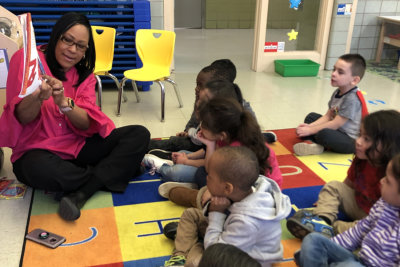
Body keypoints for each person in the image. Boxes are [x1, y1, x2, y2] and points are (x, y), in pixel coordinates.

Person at [0, 12, 150, 221]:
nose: (72, 50)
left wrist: (64, 103)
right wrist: (37, 98)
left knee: (139, 134)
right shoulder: (27, 61)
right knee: (44, 171)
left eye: (81, 46)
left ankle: (83, 191)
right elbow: (21, 118)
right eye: (67, 40)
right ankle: (113, 172)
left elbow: (87, 123)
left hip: (77, 147)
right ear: (56, 36)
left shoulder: (84, 76)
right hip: (36, 151)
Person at [162, 146, 291, 267]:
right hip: (229, 234)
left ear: (227, 188)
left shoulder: (247, 222)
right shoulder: (244, 189)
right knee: (191, 214)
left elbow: (215, 251)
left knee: (195, 261)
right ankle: (180, 255)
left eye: (210, 177)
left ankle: (188, 242)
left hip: (241, 259)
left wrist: (216, 213)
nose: (206, 178)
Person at [287, 110, 400, 238]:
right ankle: (323, 219)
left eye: (366, 139)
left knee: (369, 229)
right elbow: (349, 183)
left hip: (374, 218)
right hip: (358, 204)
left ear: (388, 145)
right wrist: (328, 203)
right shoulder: (361, 159)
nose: (358, 141)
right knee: (334, 186)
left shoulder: (393, 172)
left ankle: (331, 229)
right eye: (360, 135)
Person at [294, 153, 400, 267]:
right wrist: (328, 248)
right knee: (313, 240)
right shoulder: (384, 204)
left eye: (388, 181)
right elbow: (359, 231)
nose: (382, 181)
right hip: (361, 260)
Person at [143, 80, 253, 184]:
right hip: (213, 165)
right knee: (183, 151)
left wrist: (186, 162)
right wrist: (187, 157)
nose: (198, 103)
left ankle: (163, 167)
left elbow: (210, 168)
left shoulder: (231, 142)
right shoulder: (219, 127)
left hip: (220, 174)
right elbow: (206, 152)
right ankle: (173, 161)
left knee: (175, 172)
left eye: (203, 100)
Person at [293, 54, 368, 156]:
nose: (333, 74)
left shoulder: (352, 98)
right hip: (337, 130)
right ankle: (313, 145)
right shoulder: (338, 91)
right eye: (334, 69)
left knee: (324, 134)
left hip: (350, 140)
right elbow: (328, 116)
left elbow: (335, 124)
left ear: (354, 80)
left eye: (340, 72)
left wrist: (310, 130)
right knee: (311, 117)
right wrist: (309, 126)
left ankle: (317, 143)